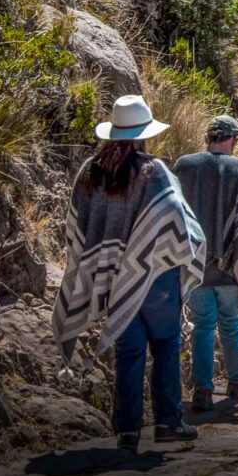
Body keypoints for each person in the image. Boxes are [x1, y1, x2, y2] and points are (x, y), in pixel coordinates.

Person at [51, 95, 206, 454]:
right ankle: (168, 422)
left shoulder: (91, 172)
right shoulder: (154, 171)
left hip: (111, 275)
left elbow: (77, 224)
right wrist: (191, 246)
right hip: (154, 275)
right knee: (166, 345)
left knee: (129, 350)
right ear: (143, 135)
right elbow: (176, 219)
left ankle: (127, 433)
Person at [173, 115, 238, 413]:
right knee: (229, 322)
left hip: (194, 265)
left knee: (202, 326)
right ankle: (236, 378)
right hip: (230, 264)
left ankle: (203, 390)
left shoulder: (184, 166)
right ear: (232, 139)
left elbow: (173, 210)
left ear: (209, 137)